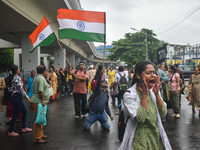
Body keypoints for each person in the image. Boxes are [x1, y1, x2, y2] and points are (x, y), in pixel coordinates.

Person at [118, 60, 171, 150]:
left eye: (154, 72)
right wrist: (144, 96)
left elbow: (163, 113)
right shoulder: (129, 95)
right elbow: (141, 118)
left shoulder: (153, 92)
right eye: (148, 73)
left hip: (156, 141)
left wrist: (157, 94)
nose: (153, 75)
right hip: (139, 143)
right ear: (138, 76)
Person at [7, 64, 32, 136]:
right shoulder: (16, 78)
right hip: (17, 97)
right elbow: (20, 89)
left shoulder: (11, 77)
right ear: (16, 70)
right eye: (18, 69)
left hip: (16, 96)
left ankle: (24, 127)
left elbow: (9, 89)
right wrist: (27, 97)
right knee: (15, 114)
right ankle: (11, 131)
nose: (19, 70)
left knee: (24, 111)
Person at [30, 65, 50, 143]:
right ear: (43, 71)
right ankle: (37, 138)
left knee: (40, 118)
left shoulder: (38, 78)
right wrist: (44, 100)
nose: (46, 72)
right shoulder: (40, 78)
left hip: (38, 100)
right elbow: (40, 90)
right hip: (38, 101)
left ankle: (40, 134)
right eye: (46, 71)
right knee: (38, 120)